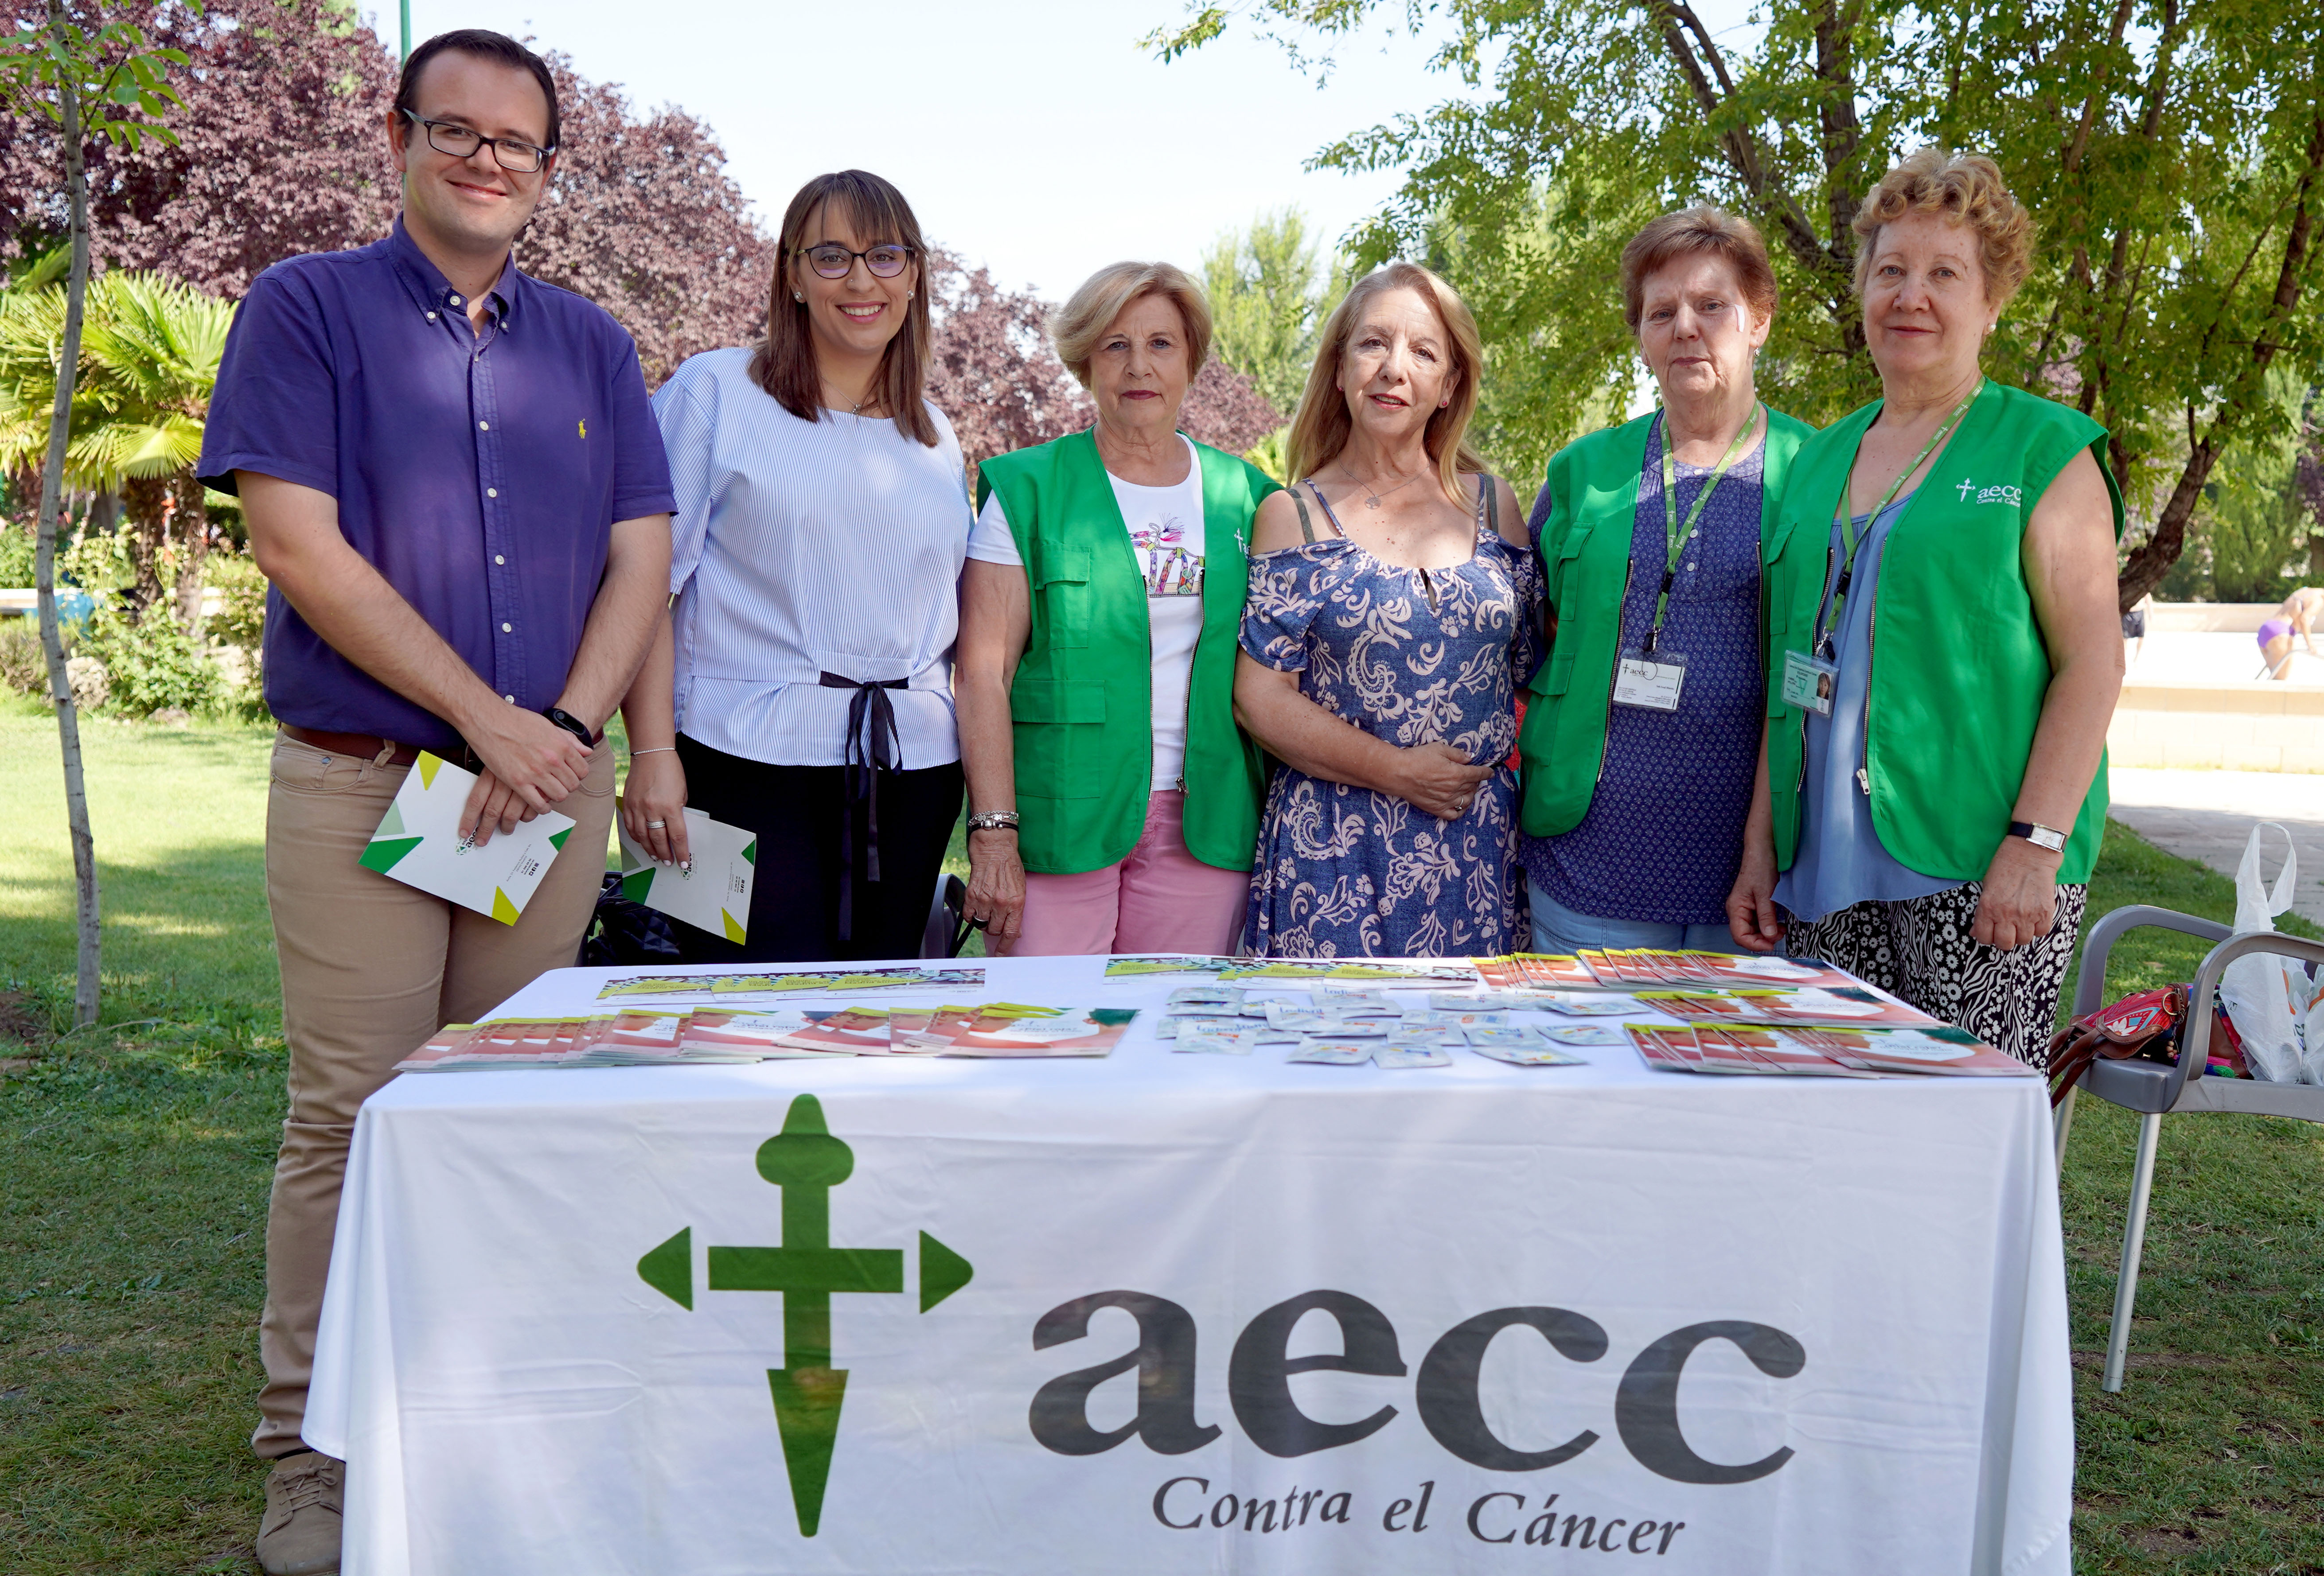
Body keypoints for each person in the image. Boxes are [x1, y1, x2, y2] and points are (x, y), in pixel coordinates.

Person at [195, 31, 675, 1573]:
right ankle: (314, 1456)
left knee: (500, 1112)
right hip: (372, 786)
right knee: (357, 1113)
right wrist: (487, 723)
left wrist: (566, 731)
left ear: (548, 169)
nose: (485, 159)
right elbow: (296, 542)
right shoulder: (305, 307)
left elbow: (642, 552)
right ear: (398, 138)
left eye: (514, 141)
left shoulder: (592, 345)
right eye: (454, 130)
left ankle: (478, 1423)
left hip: (540, 794)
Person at [1728, 149, 2125, 1066]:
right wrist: (1760, 847)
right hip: (1820, 870)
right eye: (1891, 271)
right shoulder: (1817, 461)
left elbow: (2092, 662)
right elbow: (1789, 677)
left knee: (1962, 1121)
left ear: (1991, 302)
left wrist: (2034, 844)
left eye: (1945, 274)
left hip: (1978, 870)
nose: (1911, 296)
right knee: (1831, 1123)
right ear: (1863, 291)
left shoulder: (2044, 450)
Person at [615, 171, 970, 961]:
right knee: (724, 1009)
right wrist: (651, 756)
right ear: (793, 276)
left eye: (884, 256)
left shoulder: (934, 435)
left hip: (911, 773)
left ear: (914, 275)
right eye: (831, 256)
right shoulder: (713, 390)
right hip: (730, 757)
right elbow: (640, 588)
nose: (861, 281)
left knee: (876, 1011)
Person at [1516, 208, 1815, 957]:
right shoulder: (1582, 473)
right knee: (1589, 1040)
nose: (1685, 327)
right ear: (1642, 336)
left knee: (1736, 1040)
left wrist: (1765, 849)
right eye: (1661, 312)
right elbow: (1528, 631)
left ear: (1759, 321)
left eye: (1711, 305)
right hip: (1588, 857)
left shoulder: (1818, 474)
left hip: (1759, 871)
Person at [955, 264, 1279, 954]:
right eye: (1115, 345)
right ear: (1086, 361)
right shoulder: (1027, 489)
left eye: (1161, 344)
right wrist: (994, 832)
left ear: (1190, 358)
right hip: (1059, 819)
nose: (1139, 367)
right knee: (1042, 1016)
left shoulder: (1249, 498)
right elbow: (983, 673)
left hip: (1207, 821)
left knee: (1177, 1017)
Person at [1236, 262, 1534, 957]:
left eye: (1424, 352)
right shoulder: (1293, 517)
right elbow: (1260, 698)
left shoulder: (1495, 507)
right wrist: (1398, 770)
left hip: (1476, 852)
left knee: (1475, 1029)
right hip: (1333, 855)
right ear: (1340, 368)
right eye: (1373, 343)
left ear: (1449, 386)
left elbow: (1528, 667)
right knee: (1332, 1029)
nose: (1394, 369)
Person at [2258, 585, 2320, 679]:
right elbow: (2305, 618)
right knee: (2280, 680)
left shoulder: (2304, 591)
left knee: (2274, 677)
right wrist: (2310, 644)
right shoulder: (2319, 599)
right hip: (2280, 634)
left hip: (2266, 629)